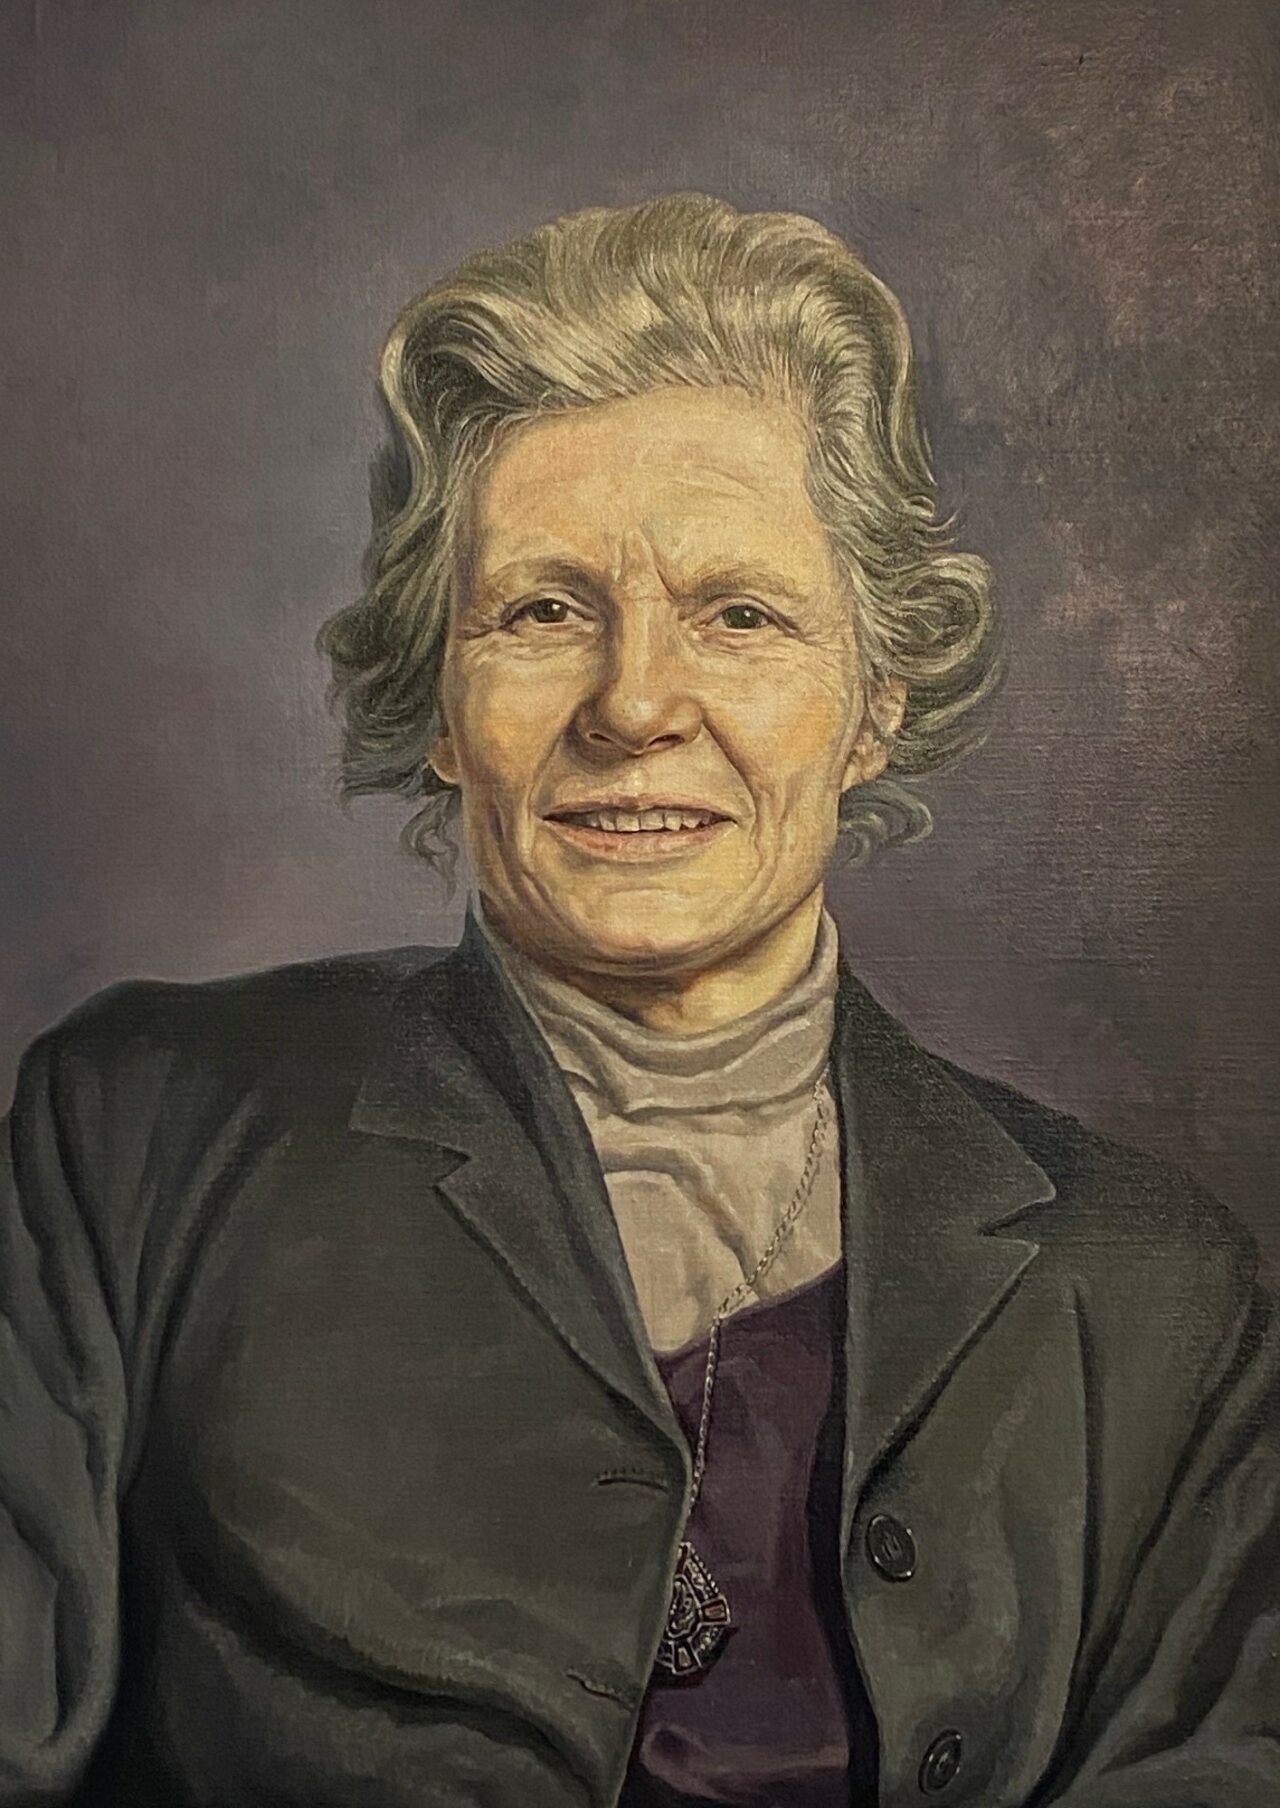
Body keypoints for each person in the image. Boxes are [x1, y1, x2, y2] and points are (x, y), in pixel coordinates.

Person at [2, 195, 1276, 1807]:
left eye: (740, 614)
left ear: (874, 701)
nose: (635, 703)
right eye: (544, 611)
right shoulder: (140, 1141)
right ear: (442, 699)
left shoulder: (1155, 1294)